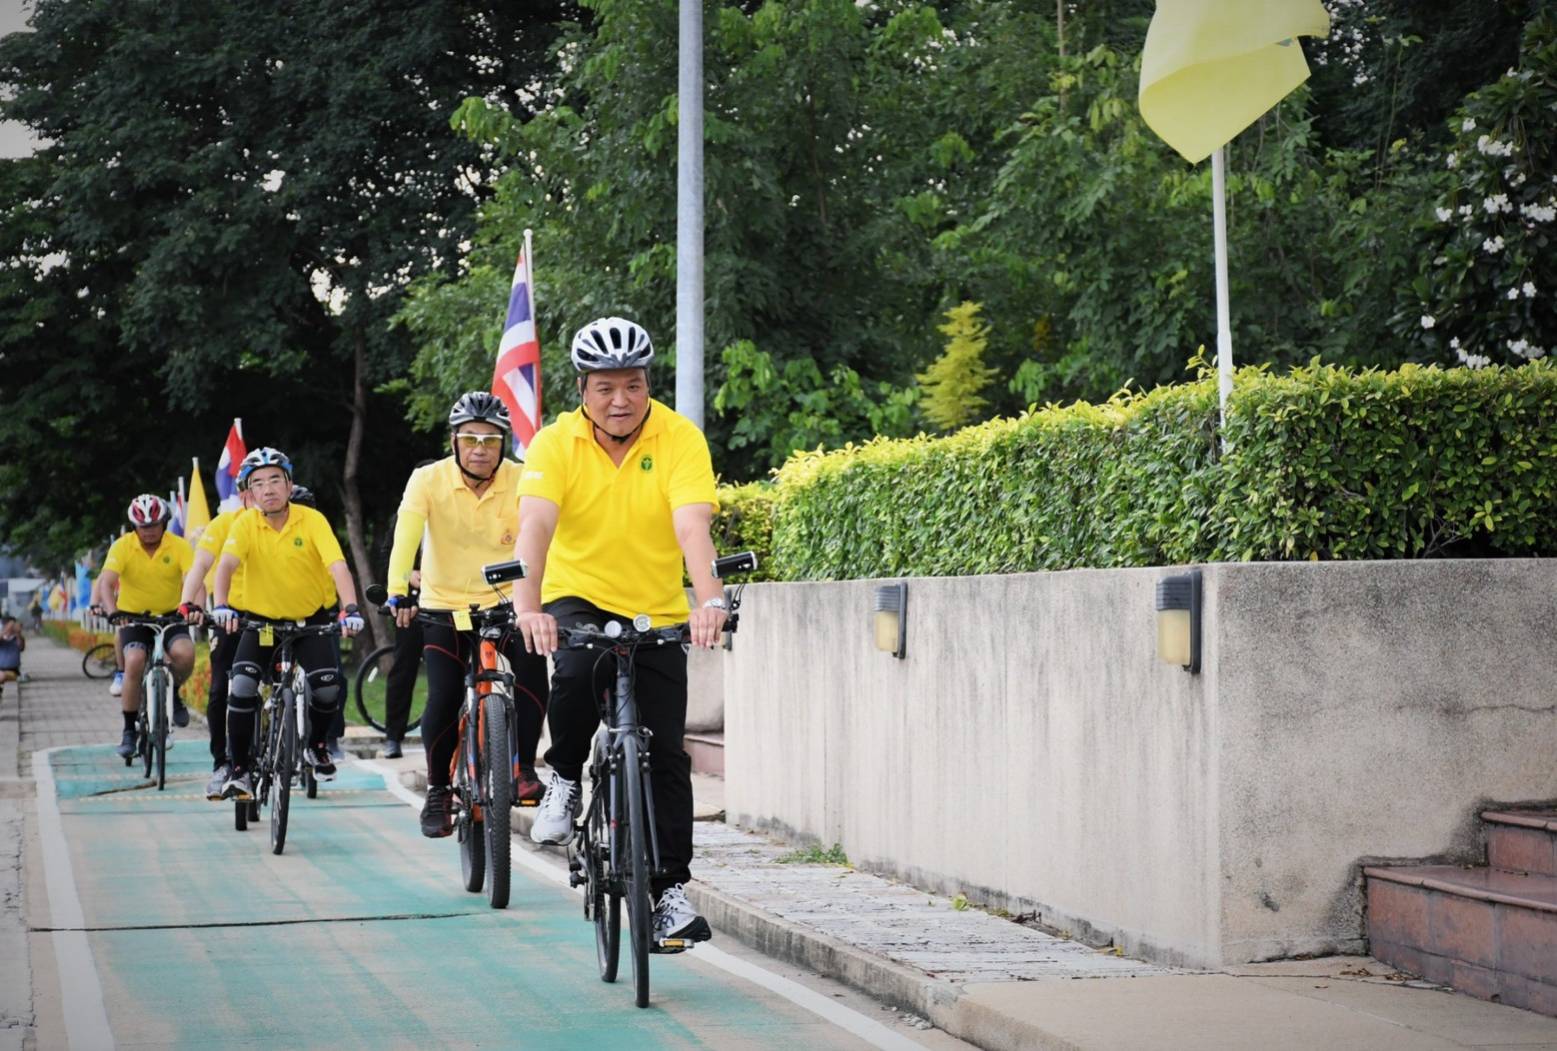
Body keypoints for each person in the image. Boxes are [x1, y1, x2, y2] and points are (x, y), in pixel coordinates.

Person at [514, 316, 727, 945]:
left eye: (633, 385)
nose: (620, 400)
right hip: (577, 595)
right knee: (576, 672)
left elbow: (693, 529)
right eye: (605, 387)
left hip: (654, 607)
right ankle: (563, 777)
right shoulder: (555, 444)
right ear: (583, 388)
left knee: (666, 755)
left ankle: (668, 894)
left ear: (647, 384)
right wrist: (530, 608)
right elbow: (535, 531)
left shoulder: (679, 437)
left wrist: (709, 601)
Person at [386, 393, 549, 838]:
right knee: (441, 694)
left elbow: (550, 532)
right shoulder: (427, 479)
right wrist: (399, 590)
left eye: (491, 440)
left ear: (504, 443)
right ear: (454, 441)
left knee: (535, 669)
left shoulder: (524, 478)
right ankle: (439, 789)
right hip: (444, 606)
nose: (480, 448)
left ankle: (522, 768)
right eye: (470, 438)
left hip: (509, 602)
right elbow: (407, 535)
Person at [208, 449, 363, 800]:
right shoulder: (246, 523)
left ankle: (317, 746)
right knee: (243, 686)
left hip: (310, 621)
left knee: (327, 687)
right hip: (261, 623)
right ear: (248, 493)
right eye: (258, 484)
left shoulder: (312, 520)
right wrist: (221, 606)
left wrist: (350, 608)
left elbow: (337, 566)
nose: (268, 489)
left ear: (290, 484)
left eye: (275, 480)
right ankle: (238, 769)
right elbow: (226, 567)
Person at [93, 495, 196, 758]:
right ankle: (129, 731)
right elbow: (106, 583)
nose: (148, 532)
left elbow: (195, 580)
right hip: (132, 617)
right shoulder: (122, 546)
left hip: (171, 614)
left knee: (185, 654)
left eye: (154, 525)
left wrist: (196, 608)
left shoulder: (179, 545)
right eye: (143, 527)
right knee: (135, 660)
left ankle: (172, 691)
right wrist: (113, 612)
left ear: (164, 523)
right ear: (133, 526)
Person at [177, 464, 256, 799]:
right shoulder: (224, 524)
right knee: (221, 686)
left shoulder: (287, 522)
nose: (262, 495)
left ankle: (295, 739)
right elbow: (201, 565)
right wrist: (188, 603)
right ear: (242, 494)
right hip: (230, 616)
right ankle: (221, 761)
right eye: (253, 488)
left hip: (276, 615)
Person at [0, 615, 24, 701]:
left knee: (2, 675)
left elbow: (21, 647)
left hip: (12, 672)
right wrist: (6, 629)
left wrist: (18, 633)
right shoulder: (2, 638)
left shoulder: (17, 638)